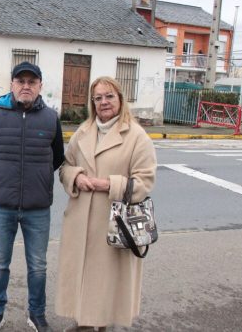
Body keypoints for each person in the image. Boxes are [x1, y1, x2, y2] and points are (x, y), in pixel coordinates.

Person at [55, 76, 157, 331]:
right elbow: (65, 166)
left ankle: (103, 325)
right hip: (81, 221)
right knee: (83, 277)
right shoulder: (84, 131)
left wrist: (108, 184)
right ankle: (85, 323)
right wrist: (76, 176)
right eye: (98, 98)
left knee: (107, 282)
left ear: (120, 98)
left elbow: (144, 182)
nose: (104, 102)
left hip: (115, 223)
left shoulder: (136, 136)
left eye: (109, 96)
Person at [0, 61, 64, 332]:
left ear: (40, 86)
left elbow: (57, 157)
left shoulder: (51, 118)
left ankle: (36, 314)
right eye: (20, 81)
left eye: (32, 82)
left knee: (38, 265)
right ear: (12, 84)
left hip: (37, 207)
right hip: (1, 205)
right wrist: (3, 181)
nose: (26, 86)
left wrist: (34, 182)